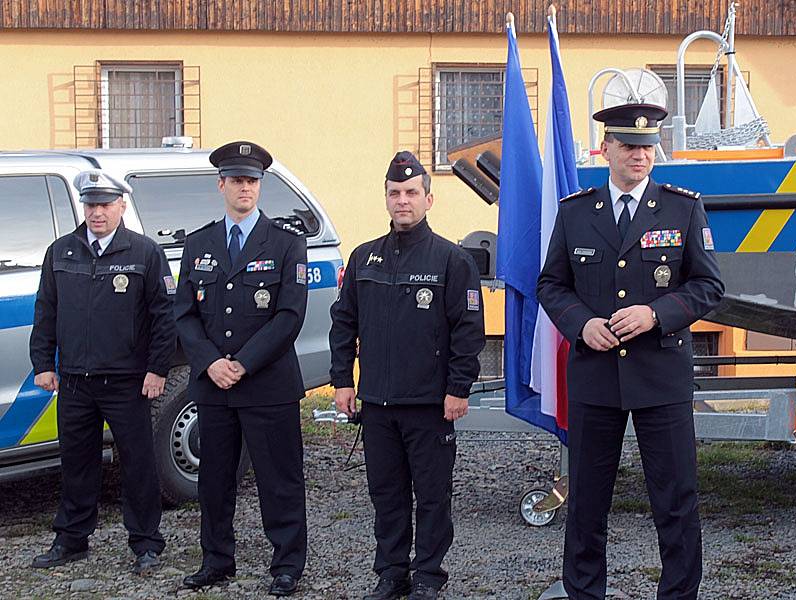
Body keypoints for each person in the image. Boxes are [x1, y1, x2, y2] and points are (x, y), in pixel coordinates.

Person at [537, 103, 725, 599]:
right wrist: (582, 325)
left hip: (660, 375)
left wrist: (655, 314)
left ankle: (680, 594)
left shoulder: (682, 208)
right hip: (596, 376)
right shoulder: (576, 211)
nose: (639, 155)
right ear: (606, 149)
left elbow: (708, 286)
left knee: (676, 500)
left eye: (647, 146)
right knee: (587, 503)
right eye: (628, 145)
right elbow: (552, 284)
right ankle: (584, 592)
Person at [329, 151, 485, 600]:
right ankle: (392, 573)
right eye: (395, 193)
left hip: (430, 405)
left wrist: (459, 388)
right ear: (385, 198)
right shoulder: (364, 259)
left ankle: (429, 576)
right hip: (377, 404)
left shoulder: (452, 261)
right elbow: (344, 323)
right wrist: (343, 381)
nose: (403, 201)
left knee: (433, 498)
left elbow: (468, 332)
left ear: (429, 200)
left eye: (411, 193)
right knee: (386, 495)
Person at [174, 141, 308, 596]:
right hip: (214, 386)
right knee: (213, 480)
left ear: (260, 186)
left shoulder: (287, 244)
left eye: (251, 181)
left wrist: (243, 364)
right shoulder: (198, 244)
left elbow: (289, 316)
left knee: (279, 480)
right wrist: (211, 362)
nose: (244, 188)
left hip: (267, 384)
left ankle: (287, 563)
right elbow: (184, 315)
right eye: (236, 181)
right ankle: (216, 560)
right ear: (222, 185)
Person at [29, 169, 176, 575]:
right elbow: (46, 311)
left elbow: (163, 316)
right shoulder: (61, 252)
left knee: (138, 464)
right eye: (91, 204)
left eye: (105, 204)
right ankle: (72, 539)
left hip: (127, 382)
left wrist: (157, 368)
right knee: (76, 463)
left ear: (121, 206)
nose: (97, 212)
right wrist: (43, 363)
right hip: (75, 381)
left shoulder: (144, 252)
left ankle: (146, 543)